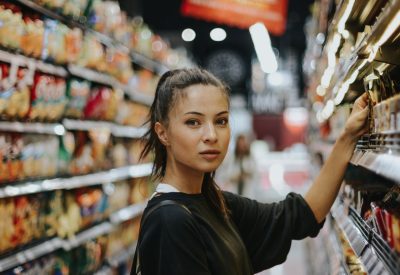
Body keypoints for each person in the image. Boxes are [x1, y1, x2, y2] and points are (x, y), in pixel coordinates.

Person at [132, 68, 369, 275]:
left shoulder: (216, 203)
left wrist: (348, 136)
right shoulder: (170, 220)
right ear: (163, 133)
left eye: (221, 121)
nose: (212, 135)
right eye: (193, 122)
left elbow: (300, 216)